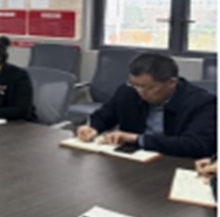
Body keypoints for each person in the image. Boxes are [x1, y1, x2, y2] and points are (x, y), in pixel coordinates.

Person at [77, 53, 217, 158]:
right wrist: (92, 127)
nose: (140, 92)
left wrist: (137, 139)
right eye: (135, 85)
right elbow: (104, 115)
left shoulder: (203, 102)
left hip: (174, 161)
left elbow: (197, 145)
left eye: (148, 87)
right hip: (132, 160)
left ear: (172, 82)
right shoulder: (128, 91)